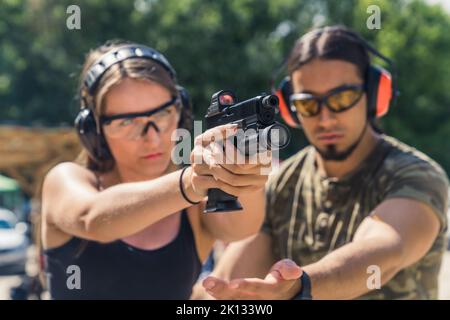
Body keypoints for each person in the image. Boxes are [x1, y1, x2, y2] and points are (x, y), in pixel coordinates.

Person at [201, 25, 449, 300]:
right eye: (308, 104)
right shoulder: (285, 181)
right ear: (290, 108)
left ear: (373, 94)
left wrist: (300, 287)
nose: (326, 118)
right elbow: (227, 284)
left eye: (342, 98)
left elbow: (384, 250)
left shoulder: (416, 175)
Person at [41, 40, 269, 299]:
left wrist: (245, 172)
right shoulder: (65, 179)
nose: (152, 137)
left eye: (162, 113)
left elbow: (242, 229)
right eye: (126, 121)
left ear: (180, 113)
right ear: (94, 131)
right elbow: (93, 219)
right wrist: (190, 183)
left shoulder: (194, 204)